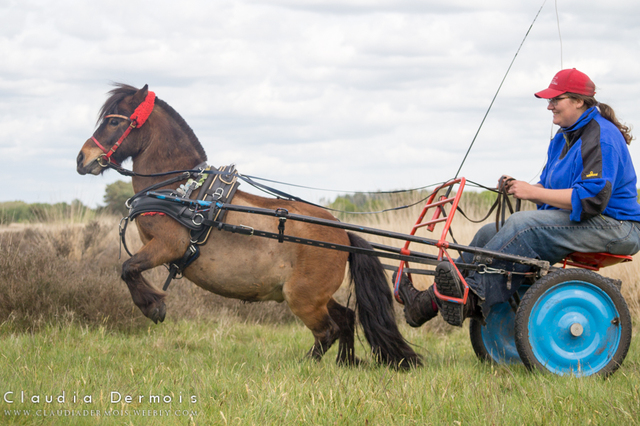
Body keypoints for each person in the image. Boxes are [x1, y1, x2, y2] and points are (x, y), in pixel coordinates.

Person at [398, 68, 640, 327]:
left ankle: (470, 295)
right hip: (586, 221)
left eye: (555, 100)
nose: (549, 107)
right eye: (549, 101)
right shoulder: (562, 138)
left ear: (579, 101)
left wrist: (532, 192)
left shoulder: (602, 136)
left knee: (521, 225)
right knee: (486, 234)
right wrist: (519, 187)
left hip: (617, 227)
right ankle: (428, 302)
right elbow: (550, 191)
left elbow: (593, 198)